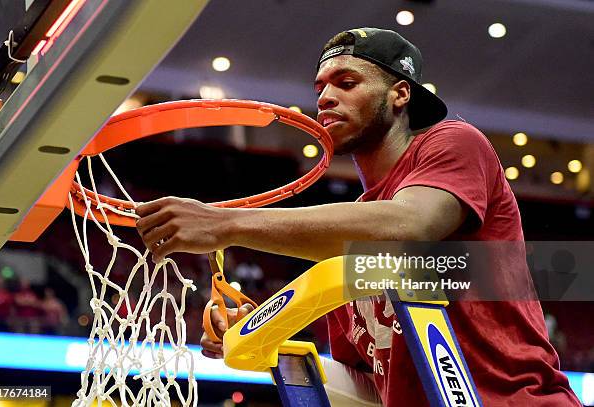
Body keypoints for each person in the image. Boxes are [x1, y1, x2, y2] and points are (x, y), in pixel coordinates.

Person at [135, 28, 580, 406]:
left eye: (346, 82)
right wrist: (261, 335)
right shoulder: (349, 238)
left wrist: (225, 225)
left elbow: (411, 227)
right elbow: (367, 386)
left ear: (400, 93)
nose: (325, 97)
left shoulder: (454, 143)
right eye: (320, 87)